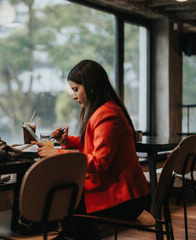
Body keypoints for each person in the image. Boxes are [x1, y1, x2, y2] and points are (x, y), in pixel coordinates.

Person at [33, 59, 150, 239]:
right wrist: (67, 141)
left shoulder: (107, 114)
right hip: (123, 192)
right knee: (64, 203)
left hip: (125, 197)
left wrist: (56, 153)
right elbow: (98, 145)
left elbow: (100, 162)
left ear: (91, 86)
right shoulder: (106, 109)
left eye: (75, 89)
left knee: (62, 205)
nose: (73, 96)